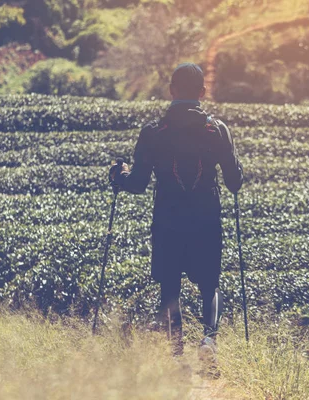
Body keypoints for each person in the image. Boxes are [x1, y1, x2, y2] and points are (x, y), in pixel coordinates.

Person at [110, 63, 244, 357]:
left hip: (168, 219)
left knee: (169, 286)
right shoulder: (217, 130)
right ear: (202, 92)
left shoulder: (153, 132)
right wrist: (239, 168)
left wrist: (118, 175)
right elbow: (234, 183)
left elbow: (137, 184)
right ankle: (209, 340)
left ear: (171, 91)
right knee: (210, 283)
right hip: (206, 217)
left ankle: (176, 351)